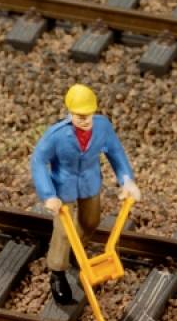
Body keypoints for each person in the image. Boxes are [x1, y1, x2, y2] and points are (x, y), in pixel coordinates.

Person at [30, 84, 141, 304]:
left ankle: (76, 251)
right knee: (63, 232)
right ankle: (58, 272)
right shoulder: (56, 135)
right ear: (70, 113)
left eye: (88, 114)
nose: (85, 120)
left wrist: (126, 180)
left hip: (90, 183)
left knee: (91, 222)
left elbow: (116, 152)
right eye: (80, 115)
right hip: (63, 189)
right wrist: (48, 194)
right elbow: (38, 161)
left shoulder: (102, 127)